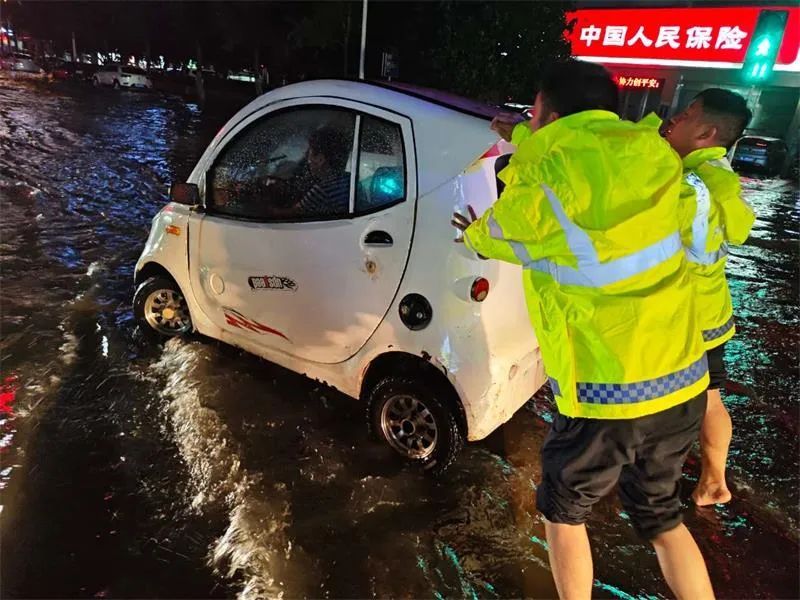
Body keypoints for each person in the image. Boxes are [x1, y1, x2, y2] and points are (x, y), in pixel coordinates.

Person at [452, 60, 714, 599]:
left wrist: (473, 230)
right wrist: (524, 136)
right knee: (662, 519)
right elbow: (589, 162)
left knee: (564, 512)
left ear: (548, 113)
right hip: (683, 379)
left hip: (608, 391)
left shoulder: (546, 175)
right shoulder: (656, 155)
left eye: (533, 113)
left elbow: (497, 233)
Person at [660, 88, 755, 506]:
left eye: (687, 113)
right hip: (711, 310)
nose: (674, 119)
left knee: (668, 401)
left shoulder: (688, 185)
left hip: (684, 314)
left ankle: (656, 488)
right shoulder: (719, 177)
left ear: (706, 132)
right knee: (709, 397)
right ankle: (714, 480)